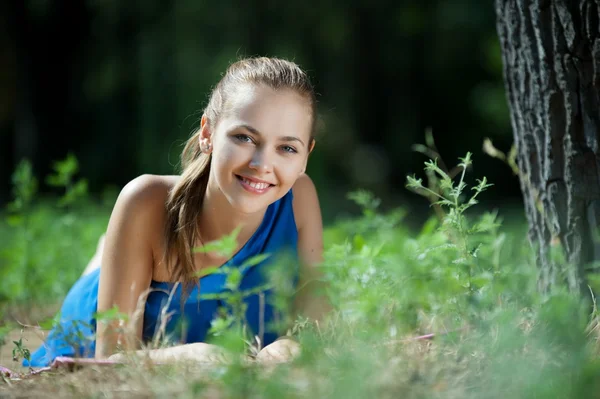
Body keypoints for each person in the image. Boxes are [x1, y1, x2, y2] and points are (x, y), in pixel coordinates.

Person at [24, 56, 328, 367]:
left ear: (306, 155)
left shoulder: (298, 198)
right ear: (208, 134)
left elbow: (316, 321)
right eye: (245, 138)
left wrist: (292, 346)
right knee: (104, 271)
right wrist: (190, 355)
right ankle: (105, 257)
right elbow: (111, 358)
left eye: (287, 148)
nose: (263, 165)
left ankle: (106, 249)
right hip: (92, 317)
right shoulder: (144, 200)